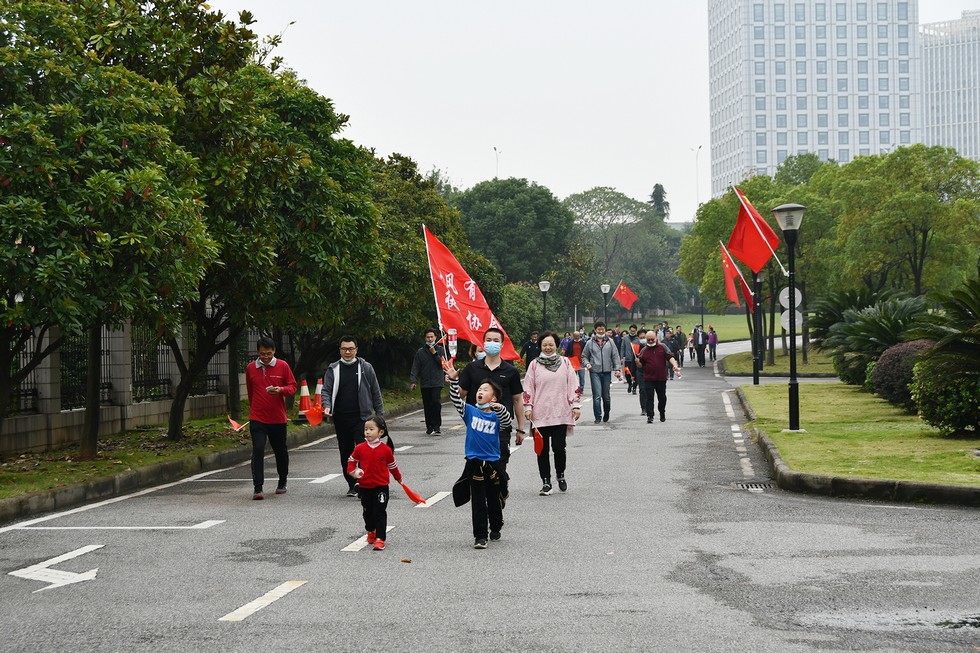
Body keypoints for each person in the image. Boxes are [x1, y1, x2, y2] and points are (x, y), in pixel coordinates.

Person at [445, 366, 511, 549]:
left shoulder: (497, 415)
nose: (480, 392)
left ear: (494, 397)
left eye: (485, 390)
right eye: (479, 390)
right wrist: (453, 381)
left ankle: (496, 525)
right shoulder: (470, 412)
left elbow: (506, 422)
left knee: (493, 499)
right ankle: (480, 536)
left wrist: (500, 409)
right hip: (474, 462)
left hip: (493, 463)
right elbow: (456, 399)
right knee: (478, 501)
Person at [457, 327, 526, 502]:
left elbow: (518, 400)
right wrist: (452, 380)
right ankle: (485, 503)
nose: (492, 343)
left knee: (499, 463)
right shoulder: (472, 368)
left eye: (496, 340)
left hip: (500, 427)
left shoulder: (510, 371)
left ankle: (501, 487)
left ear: (502, 344)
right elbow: (460, 395)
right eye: (489, 340)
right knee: (479, 469)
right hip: (478, 427)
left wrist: (520, 428)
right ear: (483, 342)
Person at [321, 336, 386, 497]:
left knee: (362, 450)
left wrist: (380, 416)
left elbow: (375, 392)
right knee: (346, 452)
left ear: (356, 349)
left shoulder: (366, 367)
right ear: (340, 350)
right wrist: (327, 405)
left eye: (351, 348)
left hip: (362, 418)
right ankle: (351, 483)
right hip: (341, 418)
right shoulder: (333, 369)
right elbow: (326, 390)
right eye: (344, 349)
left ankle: (362, 482)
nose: (348, 352)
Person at [522, 332, 582, 495]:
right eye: (544, 345)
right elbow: (528, 387)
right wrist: (528, 407)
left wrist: (575, 405)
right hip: (540, 415)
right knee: (541, 450)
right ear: (540, 346)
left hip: (560, 412)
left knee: (559, 448)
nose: (548, 347)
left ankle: (560, 475)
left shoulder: (565, 363)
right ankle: (546, 482)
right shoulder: (534, 365)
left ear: (556, 345)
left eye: (551, 344)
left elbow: (573, 384)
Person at [244, 337, 297, 500]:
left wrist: (280, 389)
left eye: (268, 353)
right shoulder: (251, 368)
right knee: (258, 449)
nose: (265, 357)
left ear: (274, 351)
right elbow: (251, 391)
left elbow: (292, 387)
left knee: (280, 450)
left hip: (277, 418)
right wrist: (254, 410)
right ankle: (257, 487)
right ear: (257, 353)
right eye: (262, 354)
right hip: (257, 417)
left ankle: (282, 480)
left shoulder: (283, 366)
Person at [347, 415, 402, 551]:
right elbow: (351, 462)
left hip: (381, 487)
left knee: (380, 511)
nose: (367, 432)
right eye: (366, 429)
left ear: (380, 432)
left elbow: (392, 466)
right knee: (367, 512)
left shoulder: (386, 450)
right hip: (365, 487)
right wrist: (354, 472)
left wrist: (398, 478)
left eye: (371, 429)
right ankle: (371, 531)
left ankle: (380, 538)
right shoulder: (360, 448)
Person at [637, 331, 682, 423]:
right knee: (649, 397)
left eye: (652, 339)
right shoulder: (644, 350)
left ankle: (662, 412)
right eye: (648, 339)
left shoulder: (662, 347)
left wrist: (674, 365)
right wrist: (638, 363)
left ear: (656, 338)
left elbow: (670, 357)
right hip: (648, 378)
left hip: (661, 377)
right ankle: (650, 416)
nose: (650, 341)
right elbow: (640, 365)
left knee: (662, 397)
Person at [581, 321, 622, 423]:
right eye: (598, 329)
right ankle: (598, 417)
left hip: (607, 371)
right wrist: (587, 364)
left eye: (602, 329)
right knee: (597, 395)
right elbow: (584, 356)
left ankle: (607, 412)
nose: (600, 331)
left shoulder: (610, 342)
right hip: (594, 371)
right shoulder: (590, 343)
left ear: (605, 329)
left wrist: (617, 369)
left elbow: (615, 356)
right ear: (595, 330)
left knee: (606, 396)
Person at [410, 328, 446, 435]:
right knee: (427, 404)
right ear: (425, 338)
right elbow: (415, 367)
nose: (430, 339)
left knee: (436, 403)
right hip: (425, 383)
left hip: (437, 382)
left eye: (432, 337)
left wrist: (434, 353)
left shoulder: (440, 350)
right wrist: (413, 381)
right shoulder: (420, 352)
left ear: (435, 337)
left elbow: (443, 364)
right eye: (428, 337)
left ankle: (437, 426)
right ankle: (429, 426)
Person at [620, 324, 641, 395]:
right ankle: (629, 384)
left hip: (635, 360)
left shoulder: (638, 339)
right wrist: (622, 357)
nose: (632, 332)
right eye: (631, 331)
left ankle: (634, 388)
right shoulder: (625, 338)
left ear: (636, 331)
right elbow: (622, 348)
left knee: (636, 374)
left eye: (634, 331)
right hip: (627, 359)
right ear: (629, 330)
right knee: (627, 373)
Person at [635, 329, 650, 416]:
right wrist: (633, 374)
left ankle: (649, 407)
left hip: (650, 371)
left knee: (649, 390)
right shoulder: (636, 347)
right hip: (640, 371)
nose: (643, 339)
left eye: (644, 337)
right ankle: (643, 408)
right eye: (641, 338)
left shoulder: (652, 346)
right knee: (642, 390)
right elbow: (634, 361)